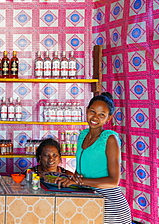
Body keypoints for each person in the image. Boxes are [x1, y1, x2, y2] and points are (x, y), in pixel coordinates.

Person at [55, 92, 132, 223]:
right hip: (90, 199)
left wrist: (80, 182)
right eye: (92, 111)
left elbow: (114, 181)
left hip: (111, 206)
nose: (95, 117)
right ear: (86, 110)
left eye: (102, 114)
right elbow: (80, 173)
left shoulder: (110, 139)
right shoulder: (82, 135)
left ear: (109, 118)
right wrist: (69, 180)